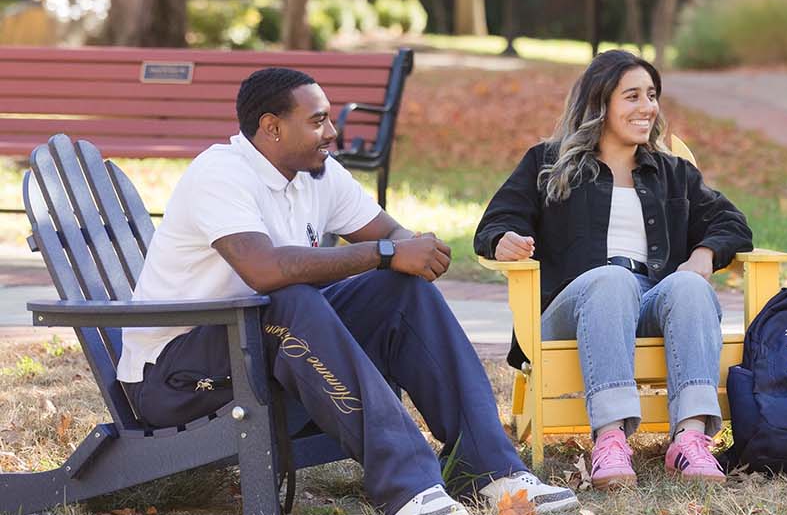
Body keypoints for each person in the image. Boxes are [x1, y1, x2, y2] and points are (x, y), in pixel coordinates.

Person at [115, 68, 577, 515]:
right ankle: (410, 487)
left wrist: (409, 252)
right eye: (317, 121)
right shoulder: (220, 173)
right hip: (173, 376)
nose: (332, 132)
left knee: (400, 291)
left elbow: (394, 238)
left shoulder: (318, 173)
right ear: (271, 128)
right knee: (287, 299)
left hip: (254, 344)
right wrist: (384, 252)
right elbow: (264, 269)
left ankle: (490, 471)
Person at [475, 50, 751, 488]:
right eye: (633, 96)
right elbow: (496, 222)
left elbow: (732, 224)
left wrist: (703, 255)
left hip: (650, 303)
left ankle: (691, 440)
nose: (648, 107)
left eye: (652, 95)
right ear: (600, 104)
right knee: (612, 279)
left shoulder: (672, 173)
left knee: (689, 287)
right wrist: (503, 240)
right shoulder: (548, 164)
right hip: (572, 310)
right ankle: (609, 439)